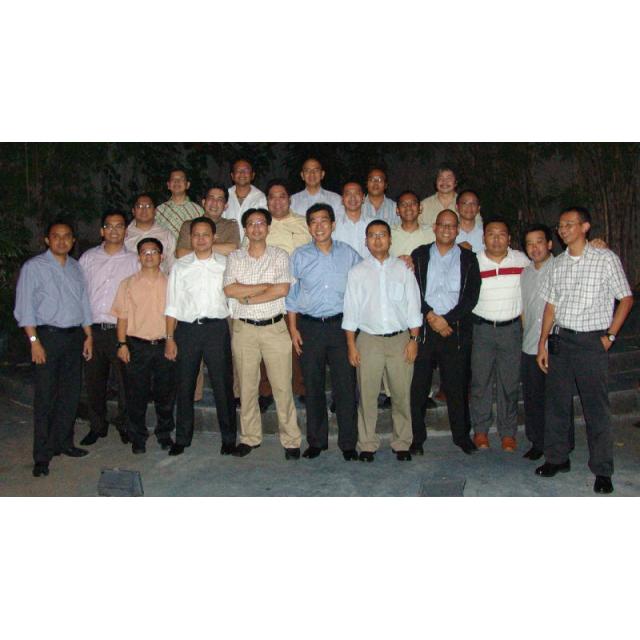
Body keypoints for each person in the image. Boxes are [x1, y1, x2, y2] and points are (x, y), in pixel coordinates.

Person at [536, 207, 633, 494]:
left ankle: (602, 470)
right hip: (561, 340)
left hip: (592, 342)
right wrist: (542, 342)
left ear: (585, 227)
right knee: (557, 404)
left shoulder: (605, 258)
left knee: (596, 408)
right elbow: (551, 306)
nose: (563, 229)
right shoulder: (558, 264)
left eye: (569, 224)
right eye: (560, 225)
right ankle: (557, 458)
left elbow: (626, 298)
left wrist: (610, 335)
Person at [14, 220, 93, 477]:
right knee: (46, 397)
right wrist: (34, 342)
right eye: (56, 236)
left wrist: (88, 336)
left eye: (66, 236)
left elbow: (83, 303)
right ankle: (42, 455)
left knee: (70, 394)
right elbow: (24, 307)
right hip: (47, 338)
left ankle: (64, 442)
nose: (61, 240)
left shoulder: (76, 267)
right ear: (47, 240)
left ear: (73, 240)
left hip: (73, 337)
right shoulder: (34, 267)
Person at [223, 208, 302, 459]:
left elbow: (282, 289)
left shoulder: (279, 255)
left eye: (260, 223)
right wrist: (265, 286)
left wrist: (248, 297)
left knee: (282, 387)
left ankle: (291, 440)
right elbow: (230, 289)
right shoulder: (235, 257)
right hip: (244, 329)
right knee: (247, 387)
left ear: (268, 228)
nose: (256, 227)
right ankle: (250, 437)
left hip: (274, 329)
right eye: (251, 223)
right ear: (245, 230)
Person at [342, 220, 422, 462]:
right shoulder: (357, 272)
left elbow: (414, 306)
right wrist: (351, 345)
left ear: (390, 239)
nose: (377, 240)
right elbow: (350, 311)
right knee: (367, 396)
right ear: (366, 241)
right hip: (368, 340)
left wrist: (414, 339)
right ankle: (367, 444)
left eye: (382, 235)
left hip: (400, 340)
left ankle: (402, 442)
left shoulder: (404, 269)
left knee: (401, 394)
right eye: (372, 235)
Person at [286, 203, 361, 460]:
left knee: (346, 386)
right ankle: (316, 441)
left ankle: (348, 443)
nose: (319, 226)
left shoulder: (348, 254)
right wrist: (293, 329)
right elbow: (292, 295)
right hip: (309, 327)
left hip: (341, 327)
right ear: (309, 227)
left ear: (333, 224)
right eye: (314, 222)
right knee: (313, 385)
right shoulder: (299, 256)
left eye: (324, 221)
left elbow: (365, 279)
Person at [409, 210, 481, 455]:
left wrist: (446, 320)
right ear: (434, 227)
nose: (447, 230)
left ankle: (461, 436)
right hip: (425, 329)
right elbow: (412, 290)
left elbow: (471, 296)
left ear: (458, 229)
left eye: (452, 226)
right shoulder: (419, 255)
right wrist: (431, 316)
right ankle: (416, 438)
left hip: (454, 330)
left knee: (457, 387)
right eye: (442, 225)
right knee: (418, 387)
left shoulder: (469, 258)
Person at [165, 217, 237, 456]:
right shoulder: (180, 266)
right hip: (187, 331)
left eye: (206, 234)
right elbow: (172, 304)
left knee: (222, 385)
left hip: (216, 329)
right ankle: (182, 438)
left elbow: (233, 298)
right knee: (184, 384)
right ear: (190, 238)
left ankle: (229, 438)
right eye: (196, 234)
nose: (201, 239)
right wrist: (169, 338)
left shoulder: (226, 264)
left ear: (214, 237)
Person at [78, 210, 139, 446]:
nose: (114, 230)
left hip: (121, 330)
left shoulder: (134, 260)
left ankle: (125, 425)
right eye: (109, 226)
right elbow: (80, 293)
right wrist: (84, 331)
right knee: (94, 382)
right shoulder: (88, 258)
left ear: (126, 230)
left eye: (119, 226)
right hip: (92, 330)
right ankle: (97, 426)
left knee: (125, 383)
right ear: (102, 230)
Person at [470, 217, 530, 451]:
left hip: (511, 330)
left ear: (509, 238)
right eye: (491, 234)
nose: (496, 239)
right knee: (480, 383)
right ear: (483, 238)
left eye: (501, 234)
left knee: (509, 383)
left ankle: (508, 432)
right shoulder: (473, 261)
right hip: (482, 330)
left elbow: (546, 266)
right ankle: (481, 431)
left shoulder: (521, 260)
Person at [111, 238, 176, 453]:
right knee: (135, 394)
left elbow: (174, 314)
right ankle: (138, 436)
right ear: (139, 257)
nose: (149, 256)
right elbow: (122, 317)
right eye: (145, 252)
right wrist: (122, 344)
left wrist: (171, 340)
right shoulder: (128, 283)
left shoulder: (171, 283)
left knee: (165, 394)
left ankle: (164, 433)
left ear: (162, 256)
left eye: (154, 251)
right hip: (136, 345)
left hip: (163, 344)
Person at [255, 179, 311, 411]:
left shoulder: (303, 223)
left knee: (298, 342)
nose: (277, 201)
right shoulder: (259, 224)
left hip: (298, 293)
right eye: (272, 197)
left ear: (290, 199)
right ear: (267, 201)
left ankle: (302, 387)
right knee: (266, 344)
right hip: (267, 293)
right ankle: (265, 390)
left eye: (282, 196)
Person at [176, 184, 240, 258]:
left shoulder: (230, 225)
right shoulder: (188, 225)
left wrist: (198, 248)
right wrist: (215, 249)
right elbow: (180, 253)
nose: (214, 203)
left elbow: (232, 249)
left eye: (220, 199)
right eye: (211, 198)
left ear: (225, 206)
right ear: (203, 202)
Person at [125, 193, 176, 274]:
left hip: (160, 280)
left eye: (148, 206)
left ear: (155, 211)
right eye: (139, 206)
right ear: (133, 211)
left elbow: (173, 265)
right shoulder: (124, 235)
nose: (144, 210)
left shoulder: (166, 234)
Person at [223, 159, 267, 240]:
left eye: (246, 170)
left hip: (252, 243)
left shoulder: (261, 198)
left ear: (252, 175)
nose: (242, 173)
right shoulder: (224, 196)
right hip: (227, 243)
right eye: (238, 170)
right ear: (232, 175)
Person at [155, 168, 205, 237]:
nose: (177, 181)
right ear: (168, 185)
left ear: (187, 185)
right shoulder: (159, 211)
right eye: (173, 179)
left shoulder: (198, 211)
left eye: (181, 179)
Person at [390, 190, 435, 258]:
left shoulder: (432, 232)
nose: (408, 207)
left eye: (413, 203)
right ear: (397, 210)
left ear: (420, 208)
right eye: (403, 204)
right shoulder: (389, 233)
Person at [333, 181, 372, 258]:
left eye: (357, 193)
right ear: (342, 199)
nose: (352, 197)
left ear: (363, 198)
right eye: (348, 194)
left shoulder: (374, 224)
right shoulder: (333, 225)